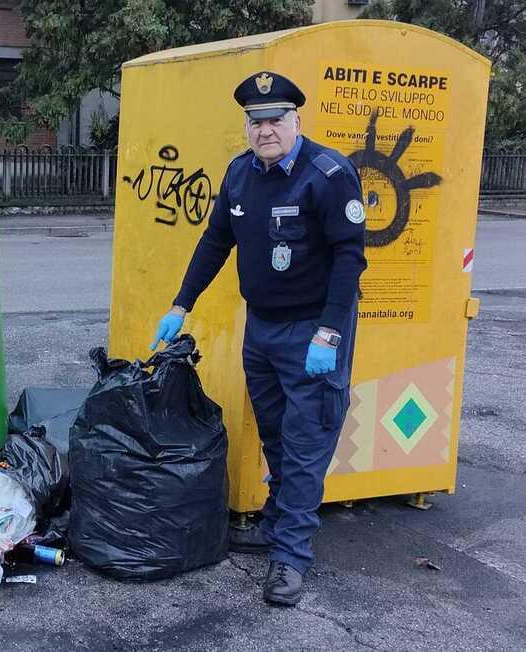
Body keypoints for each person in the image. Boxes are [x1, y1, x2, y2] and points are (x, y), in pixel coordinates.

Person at [151, 71, 367, 606]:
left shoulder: (328, 174)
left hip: (314, 328)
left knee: (306, 442)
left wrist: (329, 332)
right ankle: (275, 522)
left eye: (276, 119)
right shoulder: (240, 173)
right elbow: (215, 240)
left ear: (297, 120)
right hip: (263, 326)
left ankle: (291, 556)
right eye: (256, 121)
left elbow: (349, 257)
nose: (265, 130)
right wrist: (181, 304)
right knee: (275, 431)